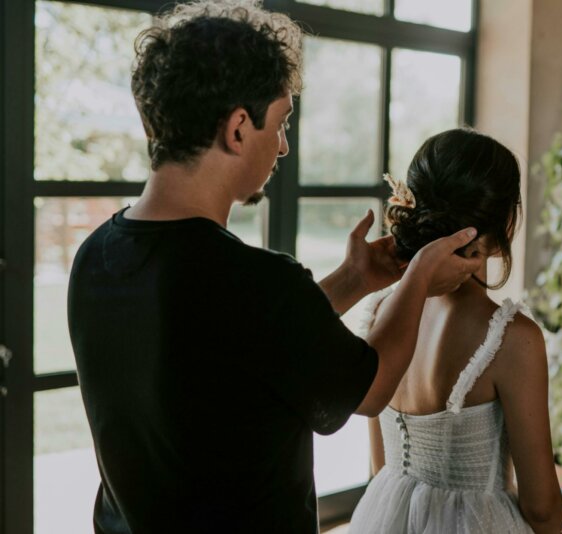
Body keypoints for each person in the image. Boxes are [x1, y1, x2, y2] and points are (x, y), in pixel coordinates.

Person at [66, 1, 481, 533]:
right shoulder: (255, 281)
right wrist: (420, 277)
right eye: (281, 122)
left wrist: (357, 280)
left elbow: (235, 345)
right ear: (238, 128)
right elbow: (372, 388)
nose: (283, 146)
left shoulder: (96, 254)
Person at [349, 129, 562, 533]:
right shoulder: (512, 339)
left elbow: (379, 466)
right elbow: (541, 506)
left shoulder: (379, 313)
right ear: (505, 223)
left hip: (383, 516)